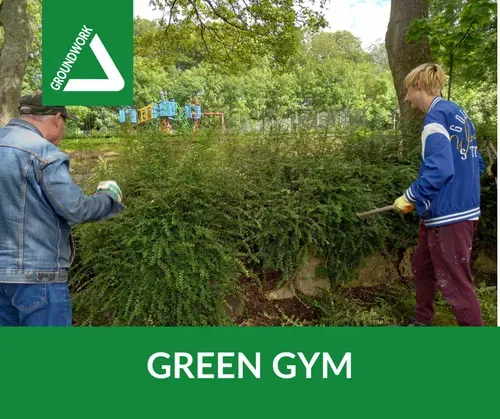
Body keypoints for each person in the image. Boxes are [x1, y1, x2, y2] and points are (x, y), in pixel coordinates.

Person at [0, 93, 124, 326]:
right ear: (57, 118)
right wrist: (109, 198)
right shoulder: (43, 153)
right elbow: (76, 209)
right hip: (38, 277)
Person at [392, 63, 485, 326]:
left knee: (456, 284)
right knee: (422, 265)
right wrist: (425, 199)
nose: (407, 99)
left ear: (418, 85)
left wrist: (410, 195)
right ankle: (422, 322)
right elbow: (475, 163)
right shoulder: (458, 114)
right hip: (445, 211)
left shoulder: (434, 119)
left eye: (407, 91)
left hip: (450, 217)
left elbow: (441, 169)